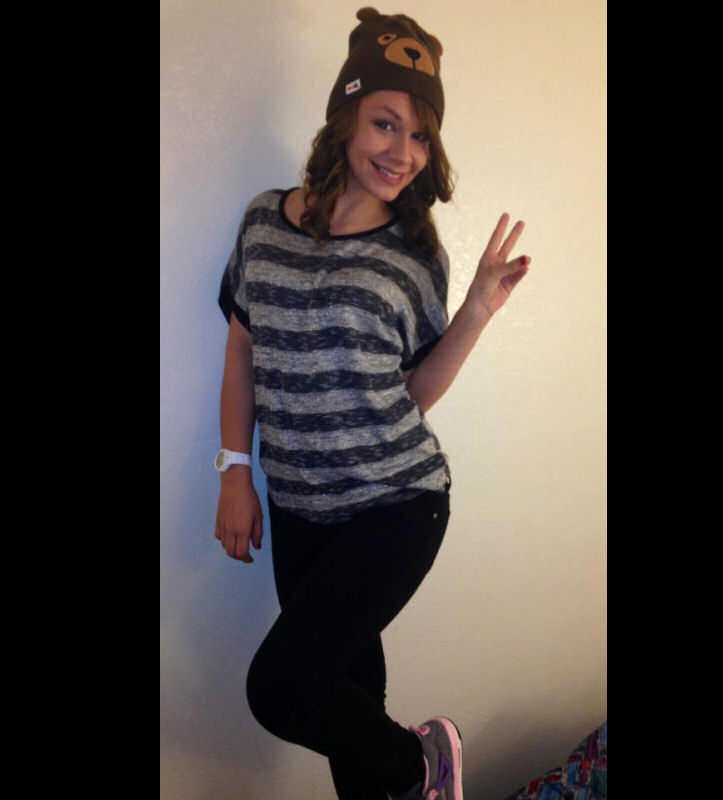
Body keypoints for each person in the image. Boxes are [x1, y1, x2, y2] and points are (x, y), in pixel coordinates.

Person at [214, 8, 531, 799]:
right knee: (345, 708)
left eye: (420, 135)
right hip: (298, 509)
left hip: (395, 503)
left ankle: (425, 767)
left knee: (279, 690)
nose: (403, 152)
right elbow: (242, 349)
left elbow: (412, 394)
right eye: (386, 123)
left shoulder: (415, 254)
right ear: (345, 117)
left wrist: (476, 311)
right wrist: (234, 471)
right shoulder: (262, 221)